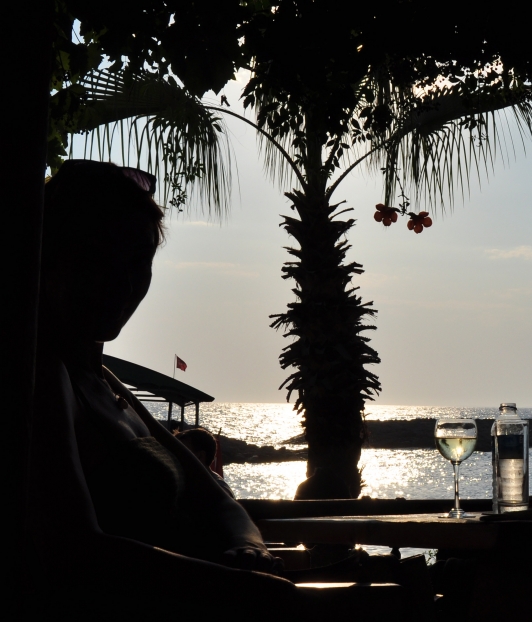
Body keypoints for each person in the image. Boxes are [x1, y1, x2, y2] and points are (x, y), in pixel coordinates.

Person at [27, 160, 327, 617]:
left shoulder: (106, 382)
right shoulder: (45, 377)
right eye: (100, 257)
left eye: (139, 260)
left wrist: (249, 549)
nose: (123, 281)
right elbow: (76, 550)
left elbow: (222, 502)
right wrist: (249, 590)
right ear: (52, 256)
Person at [176, 428, 235, 498]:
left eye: (183, 451)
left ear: (200, 456)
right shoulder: (191, 482)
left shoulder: (215, 491)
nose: (176, 455)